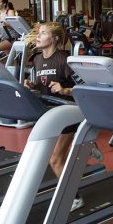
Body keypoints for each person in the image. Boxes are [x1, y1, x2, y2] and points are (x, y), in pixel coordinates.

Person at [23, 22, 97, 210]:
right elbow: (43, 85)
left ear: (55, 38)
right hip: (50, 115)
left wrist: (65, 90)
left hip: (67, 113)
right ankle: (88, 142)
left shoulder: (65, 60)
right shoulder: (37, 59)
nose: (38, 36)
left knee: (55, 159)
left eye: (44, 33)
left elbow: (85, 88)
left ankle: (75, 198)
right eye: (38, 33)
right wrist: (33, 86)